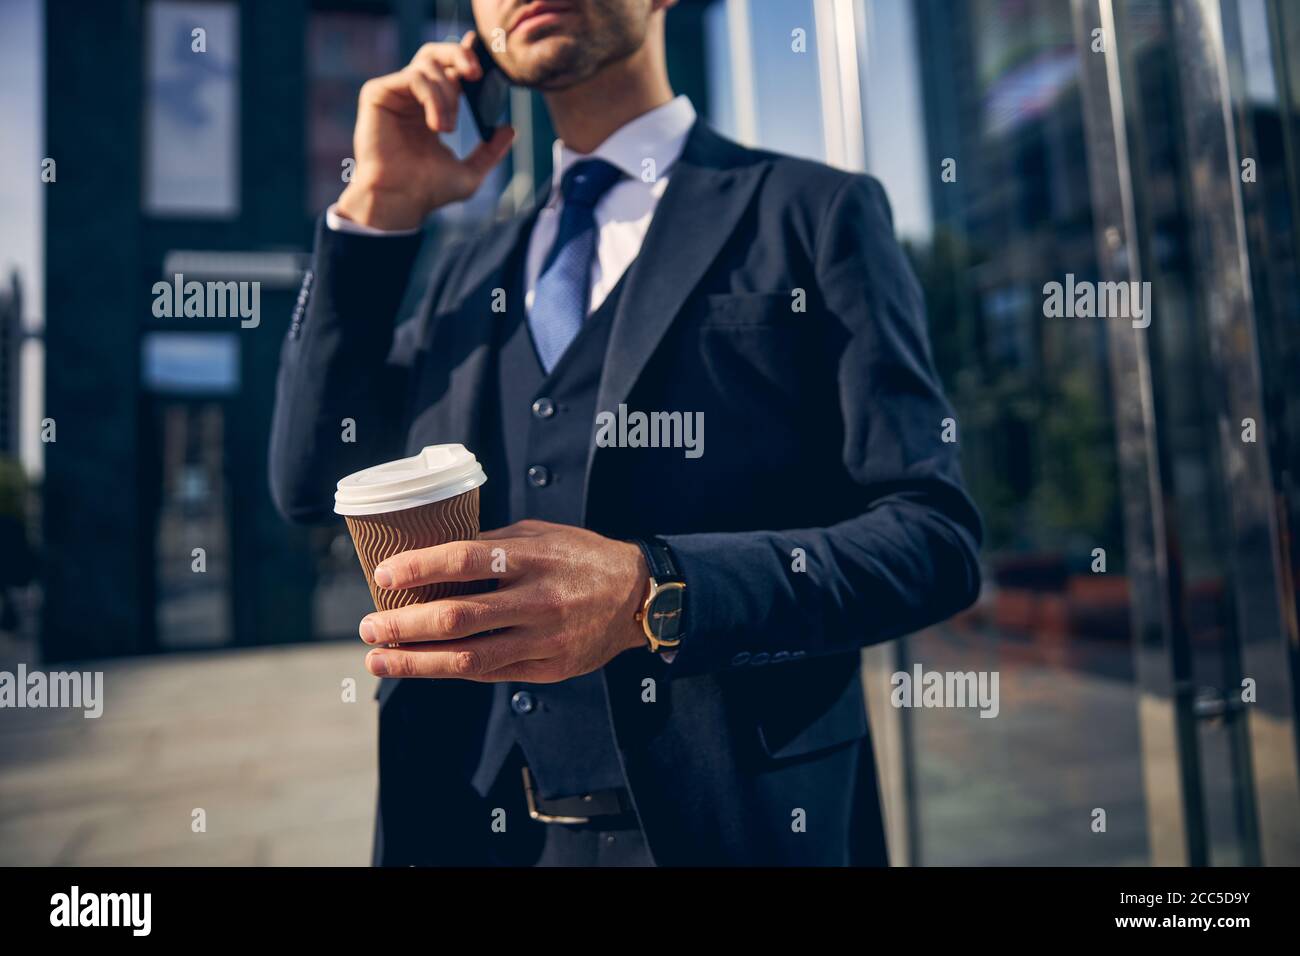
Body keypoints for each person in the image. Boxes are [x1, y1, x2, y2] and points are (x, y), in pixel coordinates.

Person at [269, 0, 982, 866]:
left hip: (733, 833)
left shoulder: (816, 212)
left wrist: (657, 589)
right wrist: (376, 211)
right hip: (469, 826)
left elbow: (934, 540)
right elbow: (313, 483)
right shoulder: (468, 268)